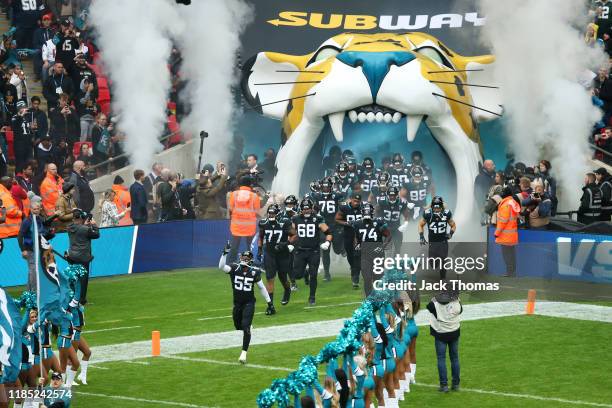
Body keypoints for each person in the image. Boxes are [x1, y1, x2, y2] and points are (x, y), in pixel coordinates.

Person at [218, 244, 272, 364]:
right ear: (241, 258)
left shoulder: (254, 272)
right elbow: (221, 266)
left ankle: (243, 354)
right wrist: (225, 252)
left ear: (251, 261)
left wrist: (269, 302)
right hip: (237, 303)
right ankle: (247, 327)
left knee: (246, 327)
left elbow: (262, 288)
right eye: (244, 258)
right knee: (238, 326)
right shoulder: (234, 268)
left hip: (249, 303)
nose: (244, 260)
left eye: (247, 259)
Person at [292, 198, 333, 306]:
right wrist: (289, 244)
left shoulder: (318, 219)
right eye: (304, 209)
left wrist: (327, 242)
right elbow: (291, 234)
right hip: (300, 250)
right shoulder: (295, 219)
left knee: (313, 274)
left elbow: (328, 232)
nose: (306, 211)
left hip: (313, 251)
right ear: (301, 209)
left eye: (308, 208)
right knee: (297, 275)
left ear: (312, 209)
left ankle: (312, 297)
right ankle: (305, 273)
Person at [258, 204, 295, 314]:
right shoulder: (263, 223)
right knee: (270, 278)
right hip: (270, 253)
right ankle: (270, 305)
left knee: (283, 277)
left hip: (282, 254)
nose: (271, 215)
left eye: (273, 213)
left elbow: (294, 235)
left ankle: (287, 290)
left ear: (278, 214)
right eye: (270, 213)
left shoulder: (285, 222)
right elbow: (260, 237)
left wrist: (285, 243)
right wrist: (260, 249)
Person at [350, 203, 391, 296]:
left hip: (377, 254)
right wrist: (356, 244)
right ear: (362, 212)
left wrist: (382, 246)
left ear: (372, 212)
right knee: (367, 278)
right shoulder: (357, 223)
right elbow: (356, 236)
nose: (367, 214)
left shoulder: (379, 222)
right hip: (365, 255)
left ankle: (380, 296)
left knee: (378, 277)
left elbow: (388, 235)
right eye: (365, 212)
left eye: (368, 212)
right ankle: (369, 299)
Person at [427, 289, 463, 393]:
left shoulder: (434, 303)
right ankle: (455, 384)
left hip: (440, 333)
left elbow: (429, 307)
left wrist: (434, 299)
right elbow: (460, 310)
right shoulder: (456, 301)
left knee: (441, 359)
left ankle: (444, 385)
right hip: (454, 332)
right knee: (455, 358)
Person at [310, 177, 344, 281]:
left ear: (331, 187)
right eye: (324, 187)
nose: (326, 189)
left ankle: (342, 249)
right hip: (324, 226)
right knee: (325, 251)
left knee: (337, 250)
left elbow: (343, 197)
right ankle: (327, 274)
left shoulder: (336, 195)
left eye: (327, 187)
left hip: (334, 224)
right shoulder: (316, 195)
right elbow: (312, 205)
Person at [18, 200, 53, 291]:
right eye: (34, 209)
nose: (36, 210)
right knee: (33, 271)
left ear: (40, 209)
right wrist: (23, 250)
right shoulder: (27, 221)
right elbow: (20, 236)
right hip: (30, 250)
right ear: (30, 209)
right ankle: (34, 293)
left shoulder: (40, 220)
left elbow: (43, 236)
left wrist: (50, 237)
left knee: (33, 272)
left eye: (37, 209)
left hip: (40, 250)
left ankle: (29, 293)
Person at [418, 196, 456, 280]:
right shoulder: (428, 213)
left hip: (443, 241)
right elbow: (420, 224)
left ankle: (443, 278)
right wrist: (421, 236)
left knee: (443, 260)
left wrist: (451, 233)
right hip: (432, 242)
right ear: (432, 207)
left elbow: (453, 225)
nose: (436, 210)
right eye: (435, 207)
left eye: (438, 208)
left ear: (442, 207)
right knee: (433, 264)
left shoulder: (446, 213)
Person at [67, 209, 100, 304]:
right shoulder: (85, 229)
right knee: (83, 279)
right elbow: (96, 235)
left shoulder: (69, 228)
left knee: (74, 278)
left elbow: (78, 230)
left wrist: (85, 225)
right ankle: (81, 300)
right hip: (83, 257)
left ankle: (73, 298)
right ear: (81, 218)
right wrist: (94, 225)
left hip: (72, 256)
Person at [227, 177, 261, 263]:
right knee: (250, 246)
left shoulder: (233, 194)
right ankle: (251, 263)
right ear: (250, 184)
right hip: (250, 226)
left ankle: (230, 263)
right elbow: (257, 211)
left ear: (240, 184)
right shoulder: (254, 196)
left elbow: (230, 209)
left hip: (236, 226)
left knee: (234, 246)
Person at [336, 192, 364, 289]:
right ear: (351, 199)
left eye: (358, 201)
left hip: (360, 236)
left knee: (358, 255)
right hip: (348, 234)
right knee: (350, 256)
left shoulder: (364, 208)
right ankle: (353, 268)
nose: (356, 203)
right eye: (355, 201)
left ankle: (355, 276)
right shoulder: (344, 207)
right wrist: (347, 223)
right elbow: (337, 219)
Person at [377, 186, 412, 255]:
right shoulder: (382, 201)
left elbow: (407, 215)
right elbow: (376, 211)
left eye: (394, 195)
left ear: (397, 195)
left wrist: (406, 224)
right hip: (385, 228)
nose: (392, 197)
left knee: (398, 248)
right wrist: (378, 221)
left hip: (396, 227)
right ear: (387, 195)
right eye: (390, 195)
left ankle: (396, 262)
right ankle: (383, 261)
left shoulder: (402, 202)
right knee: (384, 247)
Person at [495, 186, 521, 277]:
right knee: (512, 254)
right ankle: (512, 271)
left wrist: (497, 233)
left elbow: (503, 220)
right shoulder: (513, 202)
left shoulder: (506, 204)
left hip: (505, 235)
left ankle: (509, 272)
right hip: (512, 234)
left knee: (507, 255)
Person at [11, 100, 34, 172]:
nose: (24, 108)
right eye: (22, 107)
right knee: (20, 164)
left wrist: (32, 129)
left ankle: (28, 180)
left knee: (29, 163)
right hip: (19, 145)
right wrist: (20, 116)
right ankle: (18, 179)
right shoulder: (14, 117)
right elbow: (14, 126)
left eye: (25, 107)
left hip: (28, 144)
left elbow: (30, 130)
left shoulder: (28, 117)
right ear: (19, 108)